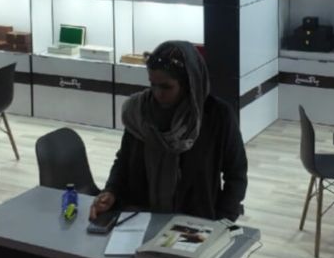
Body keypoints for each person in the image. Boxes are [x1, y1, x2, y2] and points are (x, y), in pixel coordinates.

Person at [90, 41, 248, 222]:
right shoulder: (139, 112)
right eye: (153, 84)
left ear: (189, 84)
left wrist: (224, 218)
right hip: (140, 217)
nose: (158, 93)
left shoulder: (217, 116)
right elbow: (124, 160)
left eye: (166, 87)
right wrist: (111, 191)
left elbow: (236, 172)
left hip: (196, 222)